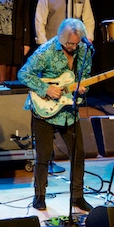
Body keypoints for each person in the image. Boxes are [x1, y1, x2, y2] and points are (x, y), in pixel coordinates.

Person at [18, 18, 93, 212]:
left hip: (69, 110)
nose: (73, 47)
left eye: (76, 43)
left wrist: (83, 87)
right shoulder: (46, 51)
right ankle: (39, 196)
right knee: (43, 155)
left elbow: (85, 75)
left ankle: (78, 197)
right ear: (60, 38)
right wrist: (45, 89)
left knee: (78, 155)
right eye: (69, 43)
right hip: (45, 111)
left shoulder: (85, 50)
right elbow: (24, 74)